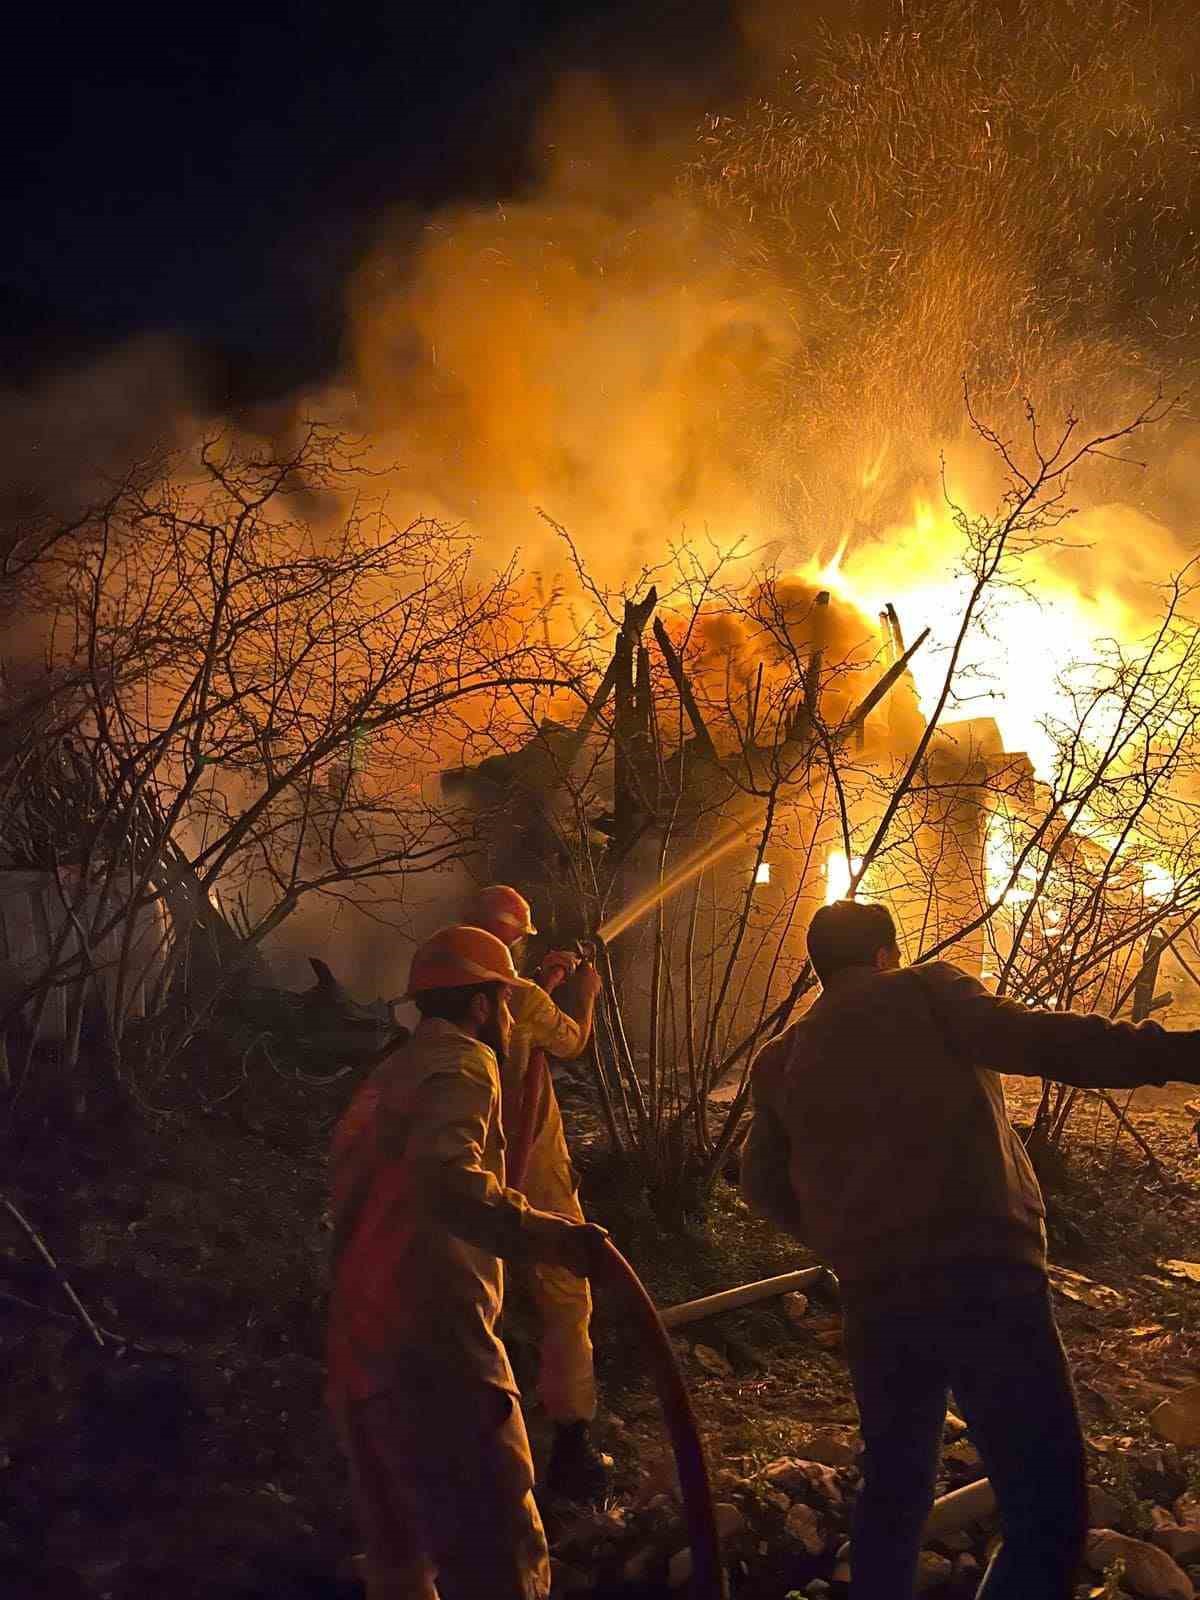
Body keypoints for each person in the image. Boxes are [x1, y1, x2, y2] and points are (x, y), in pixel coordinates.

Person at [741, 898, 1200, 1600]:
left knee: (894, 1492)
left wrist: (846, 1240)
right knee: (1046, 1508)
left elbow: (763, 1183)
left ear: (820, 968)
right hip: (983, 1277)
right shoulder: (925, 990)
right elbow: (1048, 1041)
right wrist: (1179, 1053)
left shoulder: (782, 1058)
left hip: (876, 1295)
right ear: (886, 955)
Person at [326, 923, 608, 1600]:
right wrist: (552, 1236)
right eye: (505, 1000)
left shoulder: (393, 1071)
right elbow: (445, 1179)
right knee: (501, 1543)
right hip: (437, 1335)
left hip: (360, 1336)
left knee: (401, 1556)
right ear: (484, 1005)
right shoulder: (464, 1062)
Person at [468, 883, 608, 1499]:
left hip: (472, 1161)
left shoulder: (455, 998)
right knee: (564, 1290)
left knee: (474, 1292)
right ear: (514, 938)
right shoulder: (521, 997)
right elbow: (572, 1040)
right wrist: (586, 995)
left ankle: (471, 1431)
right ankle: (572, 1436)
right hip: (534, 1163)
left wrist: (548, 979)